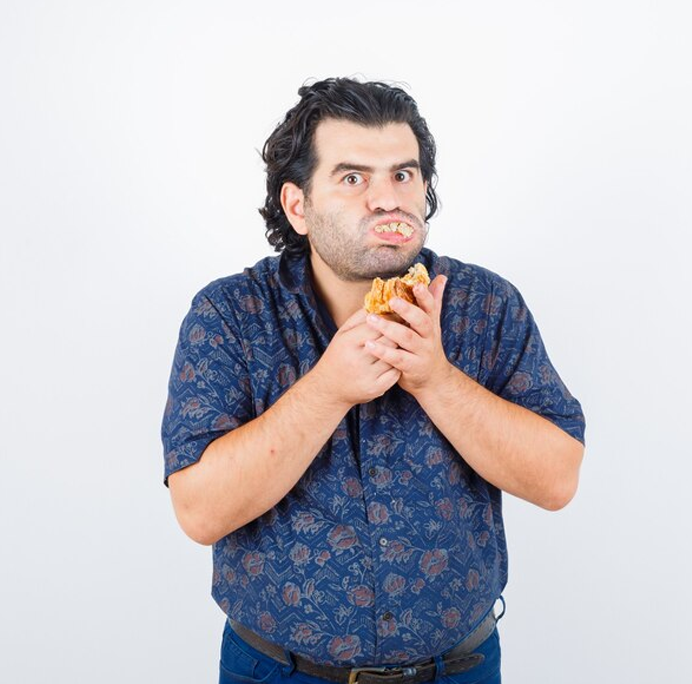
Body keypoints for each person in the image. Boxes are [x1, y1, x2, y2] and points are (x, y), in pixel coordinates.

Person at [162, 77, 586, 684]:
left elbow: (557, 478)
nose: (387, 199)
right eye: (353, 177)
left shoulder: (485, 305)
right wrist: (327, 389)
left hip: (457, 668)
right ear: (297, 206)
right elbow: (199, 512)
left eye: (403, 175)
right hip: (279, 671)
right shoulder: (230, 315)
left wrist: (436, 380)